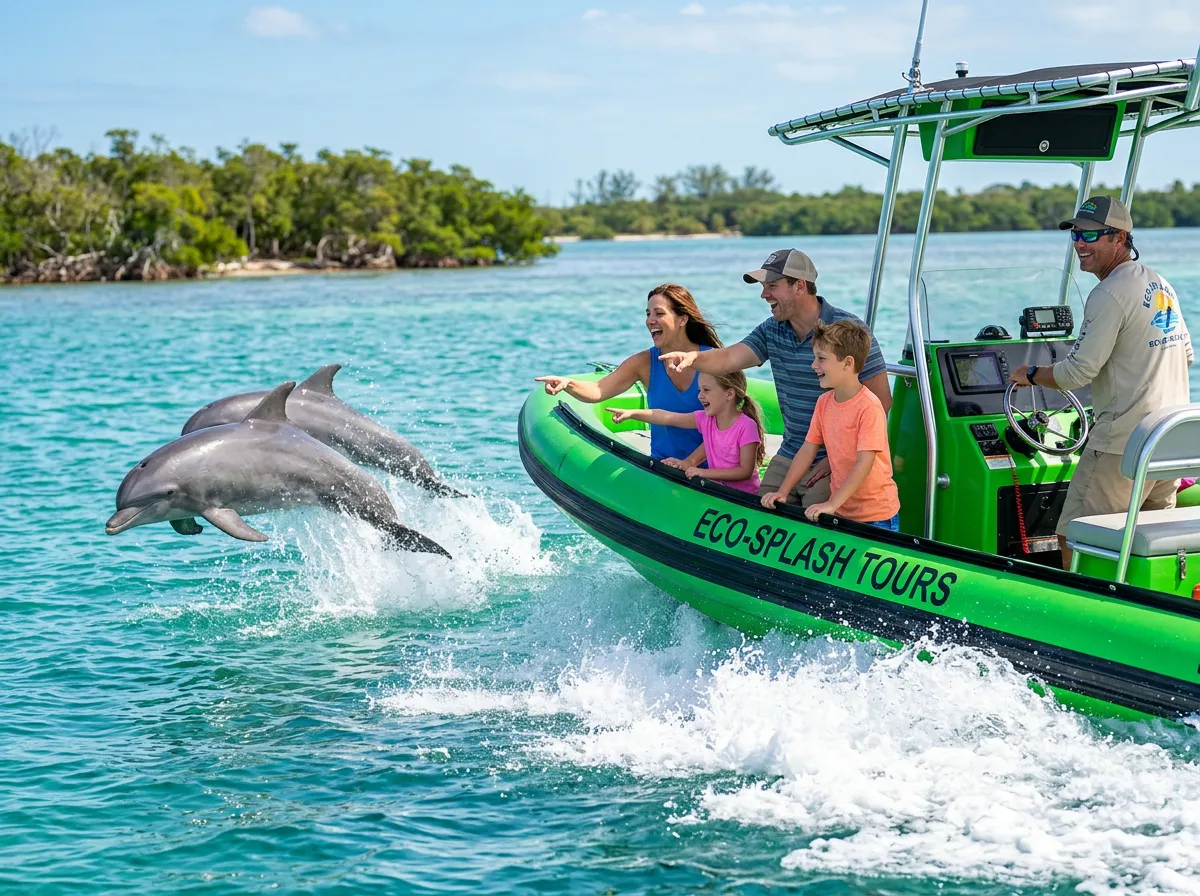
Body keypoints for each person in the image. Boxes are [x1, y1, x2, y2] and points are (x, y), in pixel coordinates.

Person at [1008, 196, 1194, 570]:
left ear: (1120, 238)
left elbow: (1077, 373)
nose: (1080, 243)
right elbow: (1186, 352)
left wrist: (1029, 375)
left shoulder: (1107, 293)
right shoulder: (1160, 283)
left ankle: (1073, 618)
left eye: (1091, 234)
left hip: (1123, 443)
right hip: (1169, 440)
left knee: (1075, 534)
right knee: (1148, 545)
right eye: (1076, 234)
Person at [661, 248, 890, 506]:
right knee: (762, 512)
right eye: (763, 286)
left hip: (835, 459)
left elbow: (882, 400)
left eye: (772, 285)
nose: (763, 294)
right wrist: (695, 358)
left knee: (813, 520)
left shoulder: (848, 330)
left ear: (799, 286)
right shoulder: (772, 329)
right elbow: (729, 358)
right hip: (791, 453)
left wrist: (835, 459)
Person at [535, 283, 721, 463]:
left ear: (683, 319)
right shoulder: (644, 363)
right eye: (648, 314)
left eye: (659, 313)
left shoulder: (713, 360)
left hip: (713, 470)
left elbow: (728, 425)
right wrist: (567, 383)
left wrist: (690, 463)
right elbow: (598, 390)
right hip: (664, 466)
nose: (650, 321)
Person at [761, 320, 900, 528]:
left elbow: (864, 463)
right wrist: (783, 491)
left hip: (876, 515)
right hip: (843, 511)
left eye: (821, 359)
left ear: (847, 363)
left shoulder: (869, 407)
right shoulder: (824, 402)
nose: (813, 365)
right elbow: (808, 449)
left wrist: (831, 504)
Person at [607, 371, 764, 494]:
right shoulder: (706, 419)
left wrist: (704, 473)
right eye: (699, 390)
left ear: (729, 394)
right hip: (718, 490)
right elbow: (668, 418)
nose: (700, 396)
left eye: (707, 390)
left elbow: (745, 471)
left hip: (743, 497)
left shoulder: (746, 426)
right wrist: (632, 413)